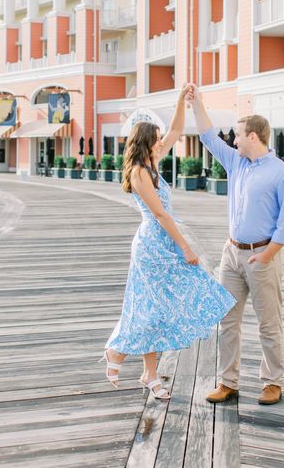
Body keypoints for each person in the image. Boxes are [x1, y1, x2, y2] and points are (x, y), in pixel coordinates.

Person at [101, 86, 236, 400]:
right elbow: (160, 214)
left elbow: (177, 129)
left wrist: (181, 101)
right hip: (152, 245)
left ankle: (147, 372)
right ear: (146, 142)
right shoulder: (138, 172)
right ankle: (118, 352)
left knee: (157, 308)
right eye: (157, 138)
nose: (162, 141)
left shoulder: (153, 160)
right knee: (151, 308)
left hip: (163, 243)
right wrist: (186, 247)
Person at [186, 84, 284, 406]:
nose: (232, 141)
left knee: (268, 324)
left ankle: (272, 382)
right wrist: (198, 103)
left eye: (237, 135)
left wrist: (267, 254)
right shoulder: (236, 163)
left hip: (263, 256)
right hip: (232, 255)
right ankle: (228, 382)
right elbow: (208, 136)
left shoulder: (280, 174)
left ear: (253, 136)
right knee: (227, 321)